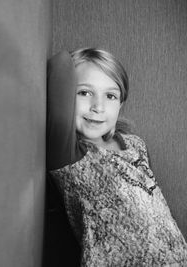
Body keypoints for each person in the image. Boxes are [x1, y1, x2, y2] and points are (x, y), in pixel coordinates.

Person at [47, 48, 187, 266]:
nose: (98, 107)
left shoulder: (135, 144)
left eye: (110, 96)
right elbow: (60, 65)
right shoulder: (71, 157)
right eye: (84, 92)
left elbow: (156, 209)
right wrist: (80, 59)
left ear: (120, 105)